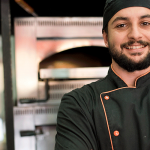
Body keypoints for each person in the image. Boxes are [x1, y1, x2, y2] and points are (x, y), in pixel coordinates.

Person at [55, 0, 150, 149]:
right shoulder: (79, 103)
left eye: (145, 23)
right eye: (121, 25)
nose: (135, 35)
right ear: (106, 38)